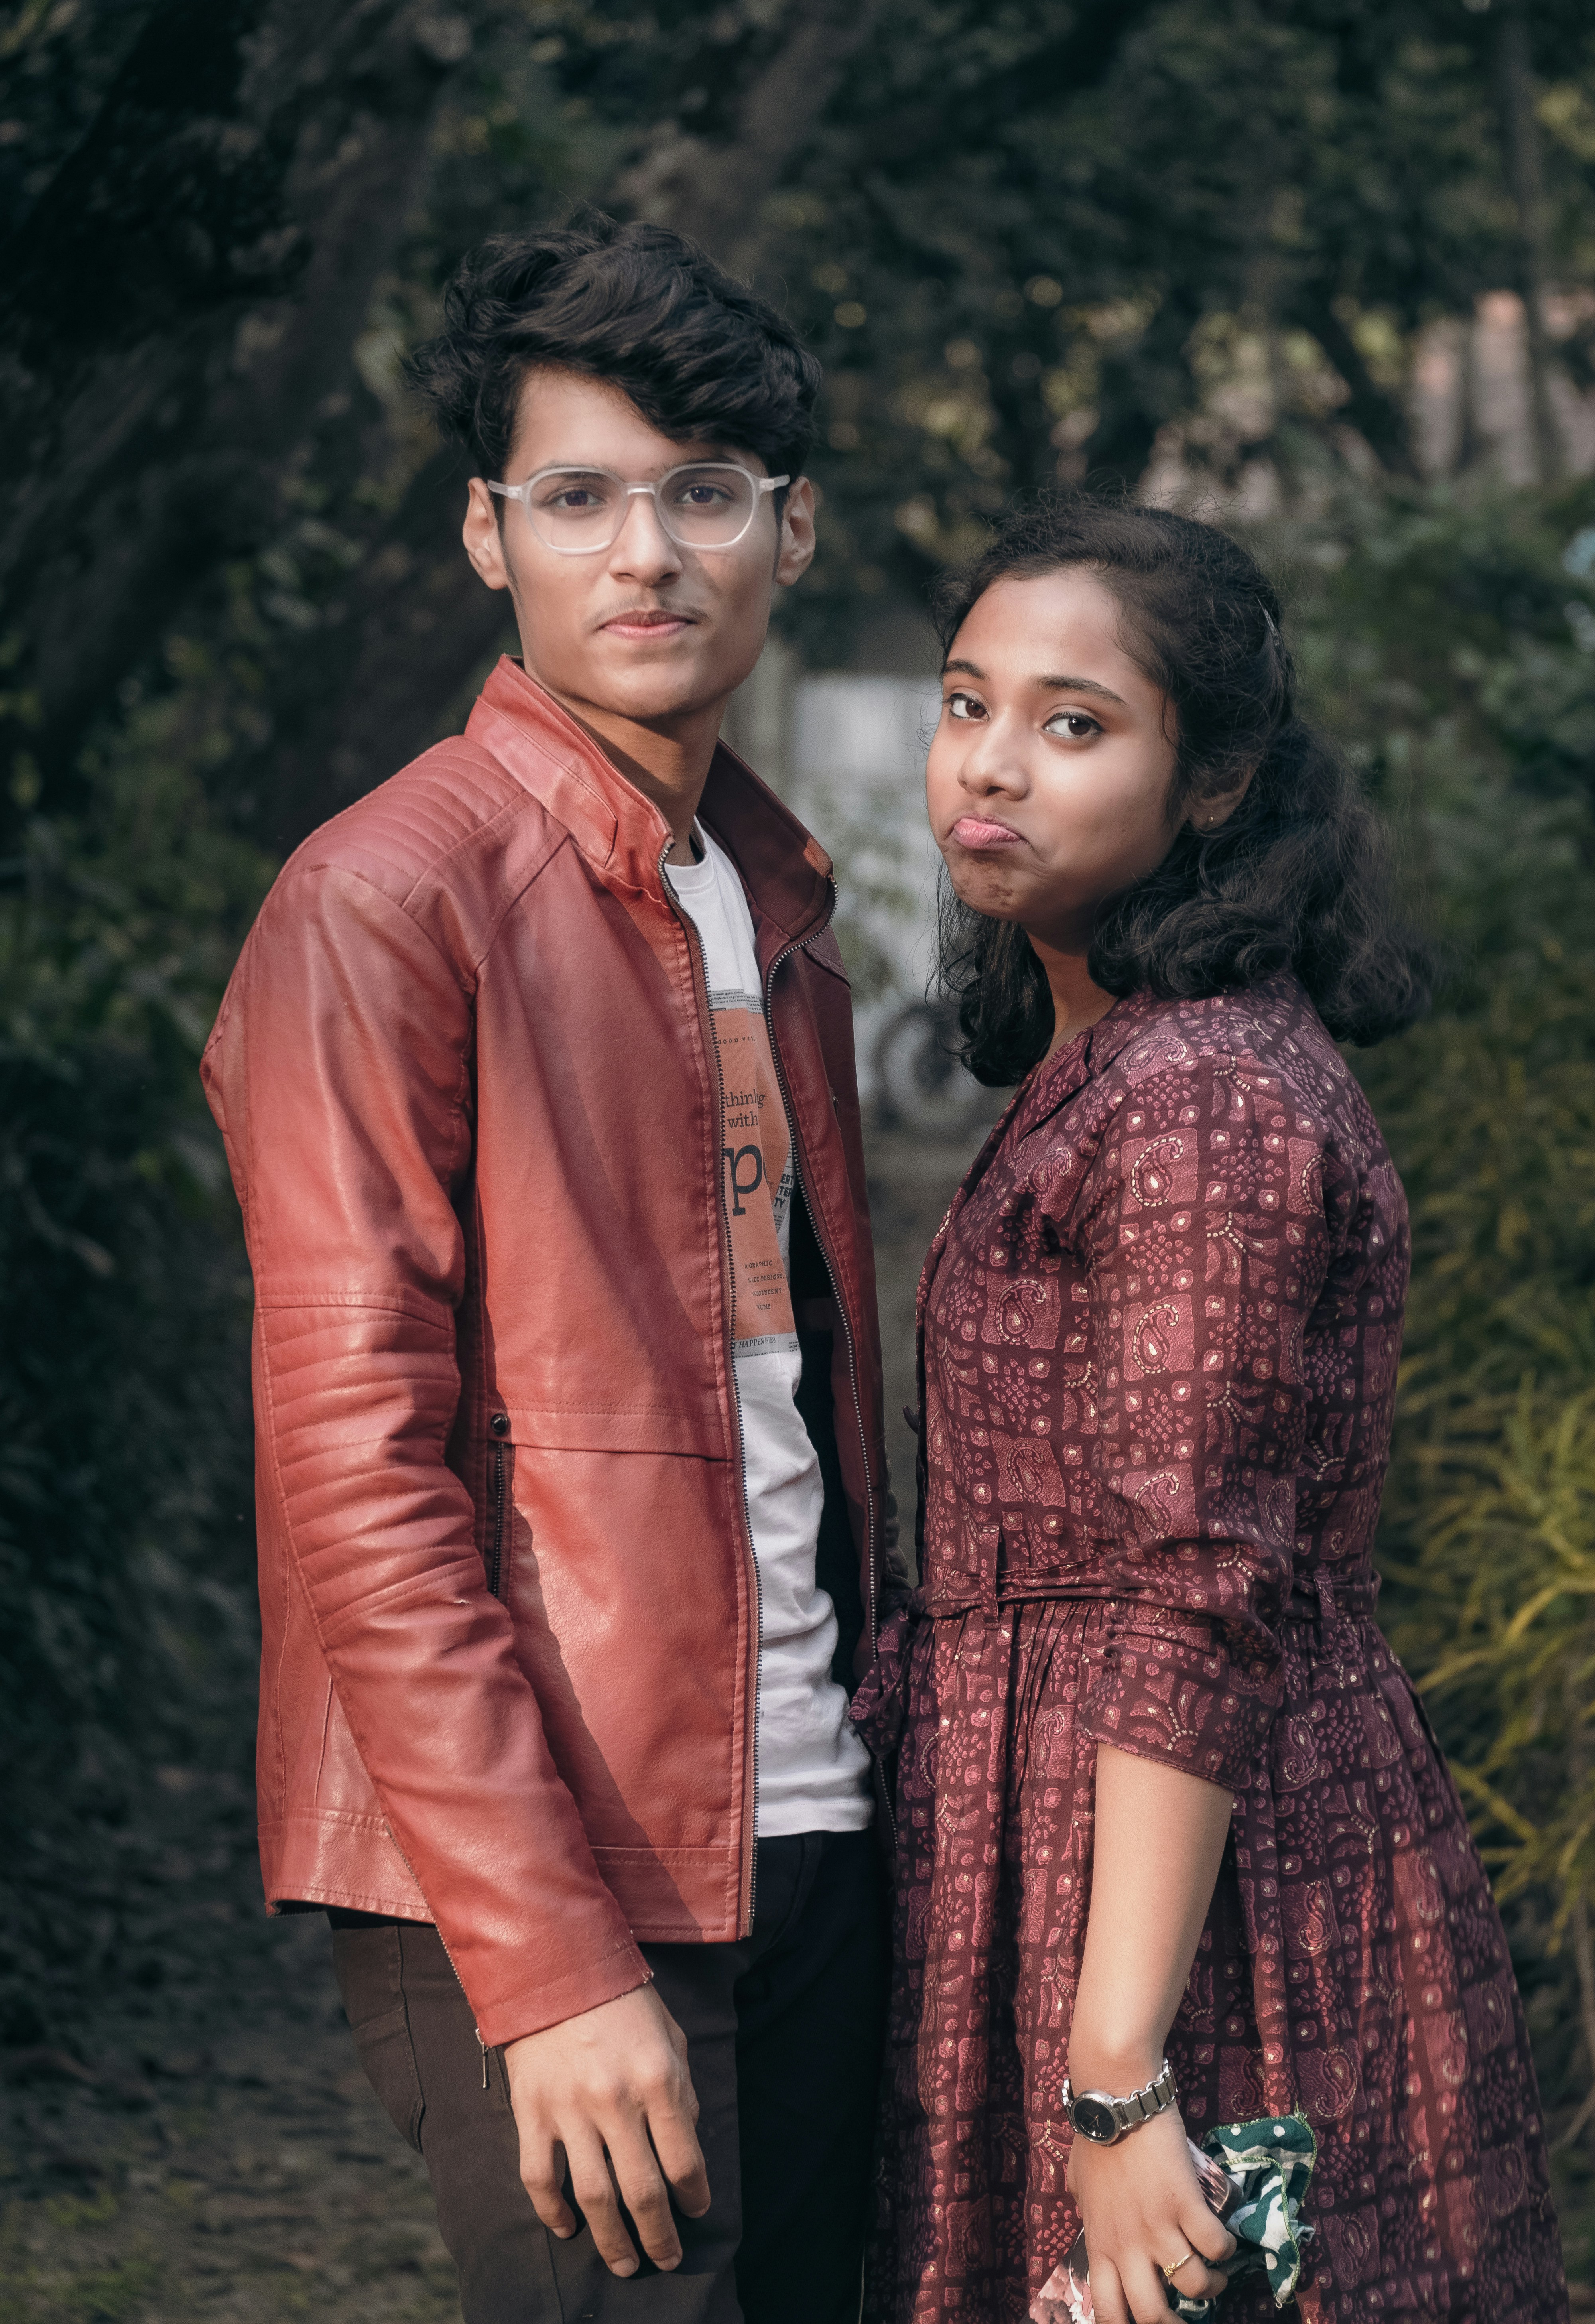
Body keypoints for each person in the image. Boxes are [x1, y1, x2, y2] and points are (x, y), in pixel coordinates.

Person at [200, 211, 901, 2324]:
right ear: (490, 536)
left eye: (703, 496)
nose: (649, 555)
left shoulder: (764, 902)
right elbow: (357, 1484)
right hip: (556, 1880)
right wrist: (549, 1956)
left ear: (789, 527)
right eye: (580, 498)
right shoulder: (385, 902)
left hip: (816, 1832)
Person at [851, 491, 1569, 2324]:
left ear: (1217, 782)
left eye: (1073, 724)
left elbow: (1198, 1591)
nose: (989, 767)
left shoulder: (1199, 1101)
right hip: (1072, 1840)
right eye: (965, 702)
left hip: (1185, 1891)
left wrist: (1116, 2077)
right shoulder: (1122, 1050)